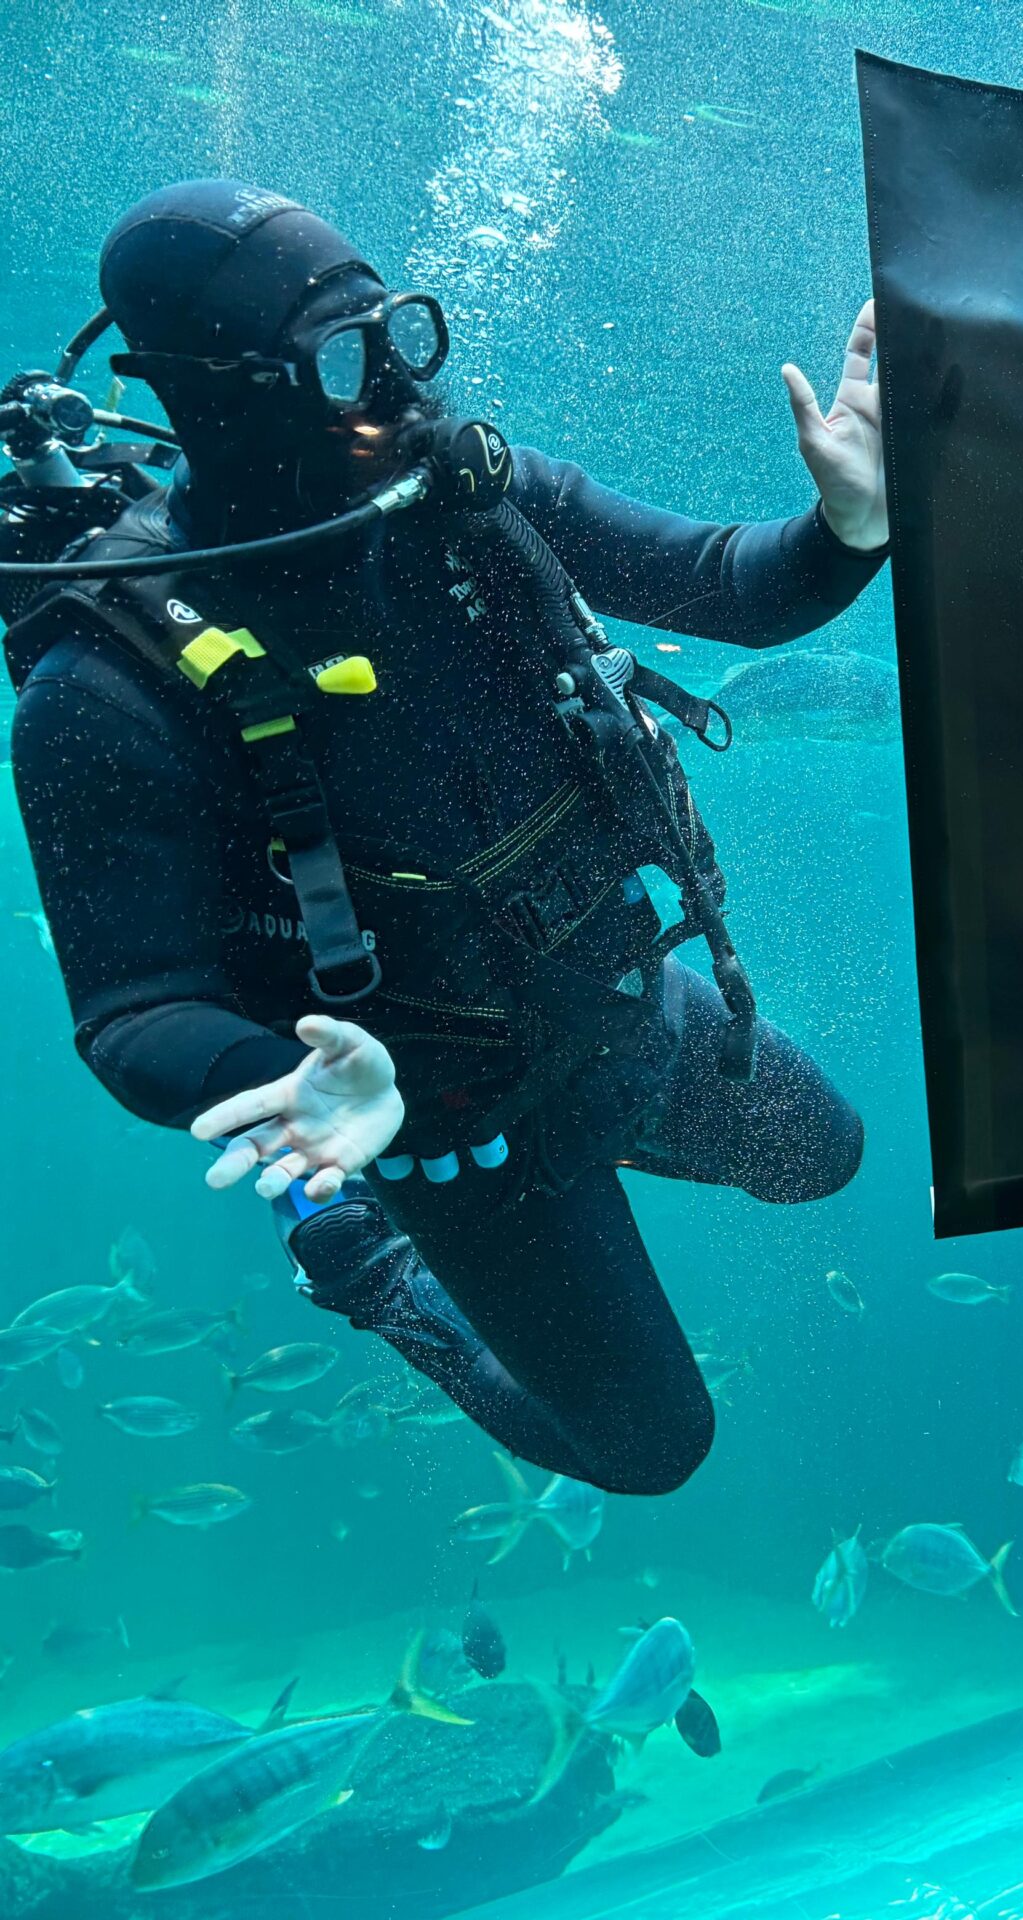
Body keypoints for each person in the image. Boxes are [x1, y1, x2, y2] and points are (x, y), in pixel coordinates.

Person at [3, 180, 890, 1495]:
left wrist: (849, 526)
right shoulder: (107, 681)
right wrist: (301, 1090)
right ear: (218, 391)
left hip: (615, 1004)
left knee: (826, 1159)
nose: (405, 392)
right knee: (651, 1449)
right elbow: (134, 1010)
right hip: (447, 1119)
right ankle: (368, 1265)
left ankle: (571, 1167)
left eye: (408, 335)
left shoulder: (471, 495)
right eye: (348, 360)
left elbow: (727, 585)